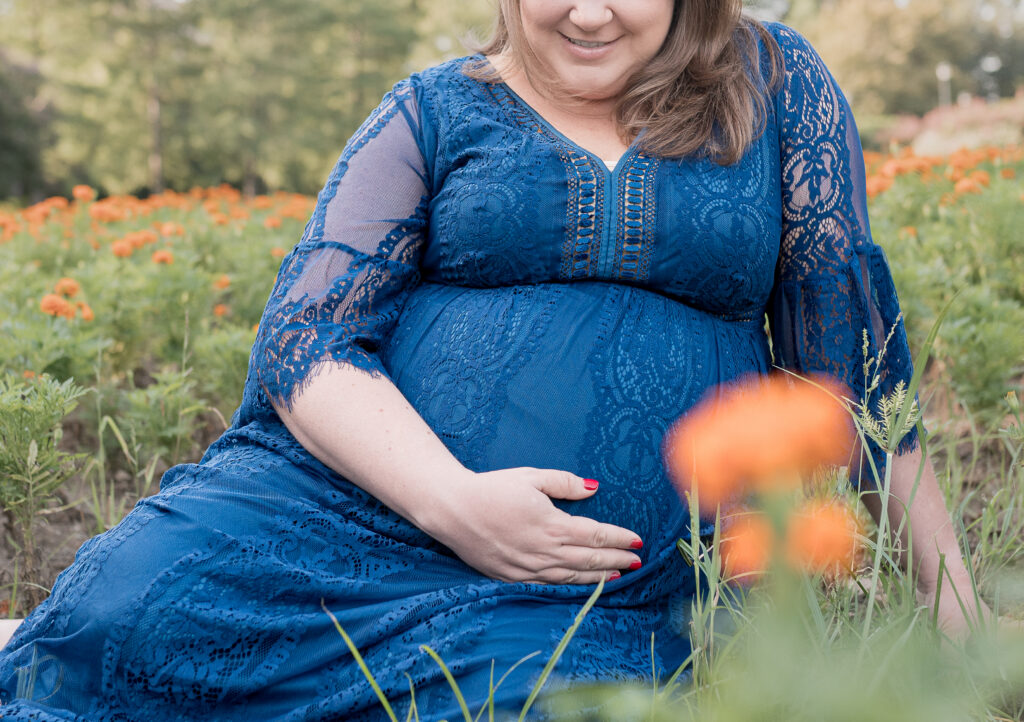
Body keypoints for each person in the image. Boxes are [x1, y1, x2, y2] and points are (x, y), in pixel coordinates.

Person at [0, 1, 990, 719]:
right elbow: (306, 340)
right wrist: (453, 503)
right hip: (354, 513)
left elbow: (852, 358)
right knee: (123, 609)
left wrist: (952, 606)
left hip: (606, 582)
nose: (589, 12)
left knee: (525, 699)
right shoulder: (433, 109)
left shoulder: (773, 85)